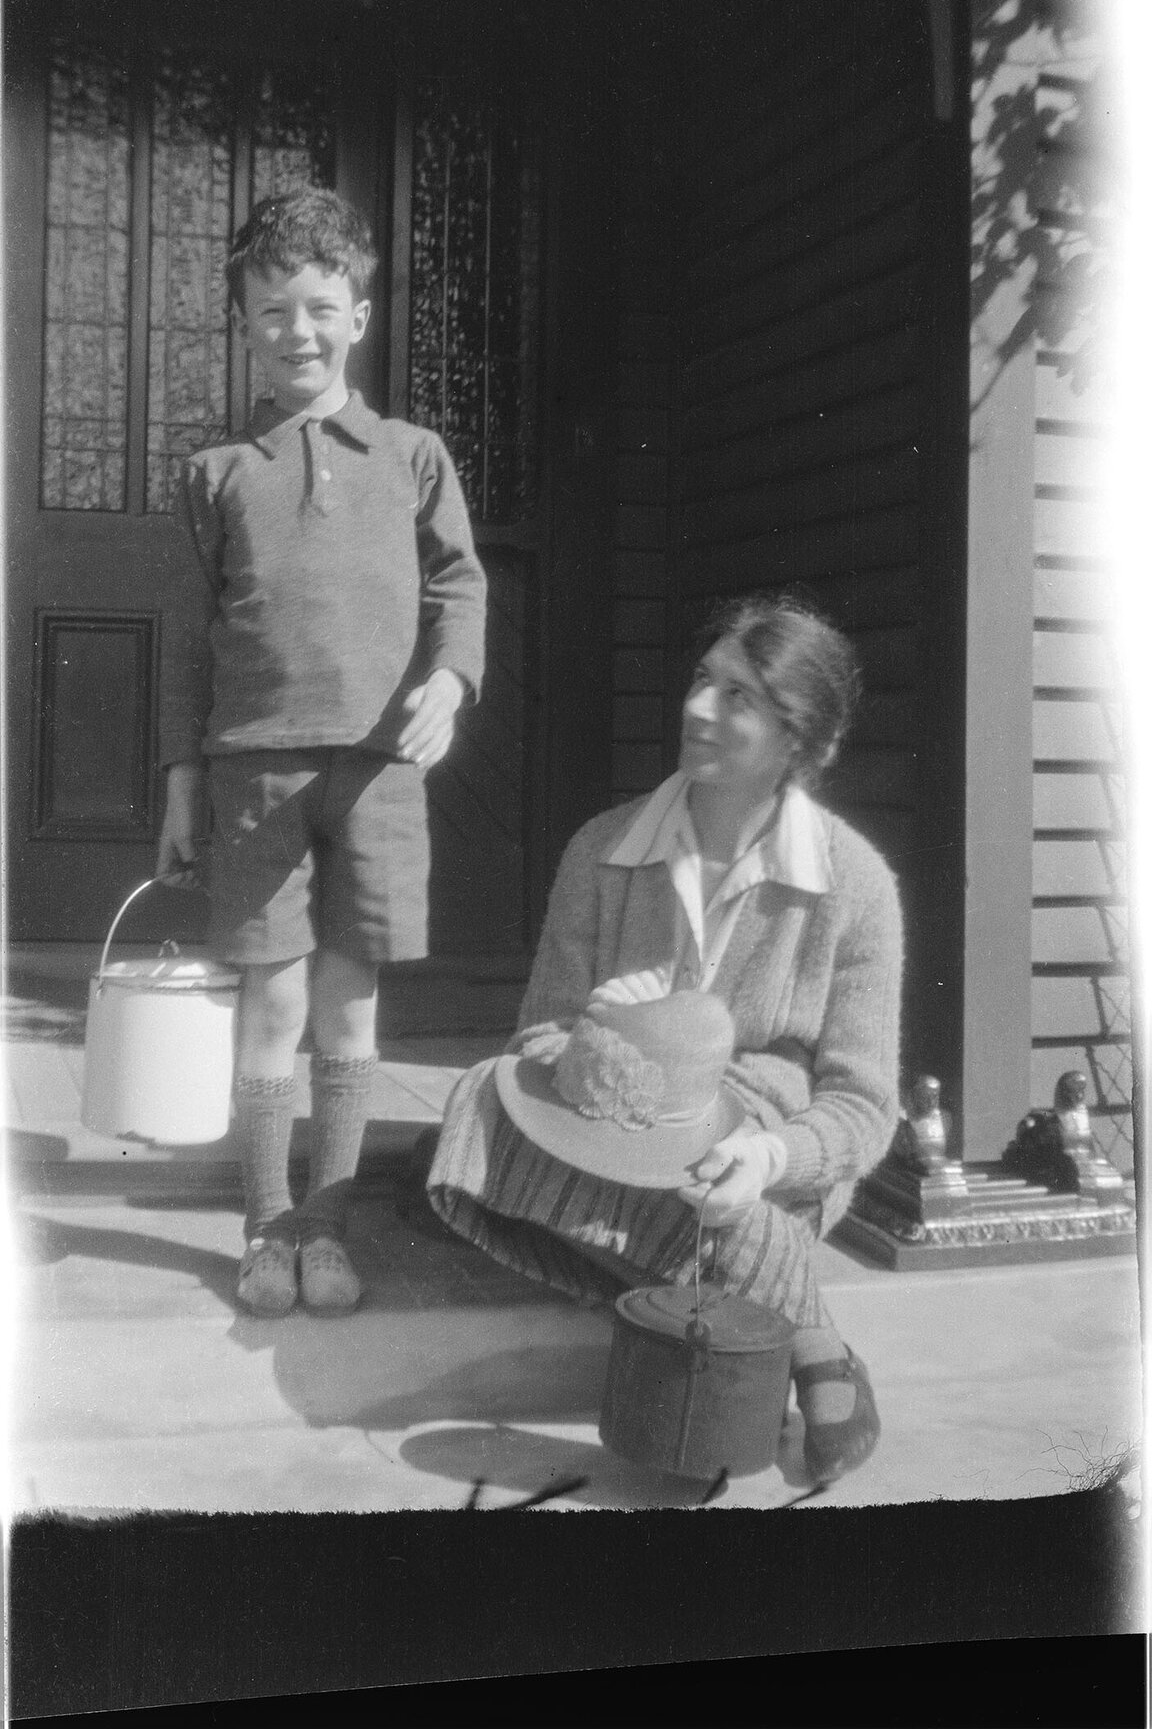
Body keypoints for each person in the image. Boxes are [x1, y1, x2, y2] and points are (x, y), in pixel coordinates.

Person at [426, 594, 903, 1483]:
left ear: (800, 743)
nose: (698, 709)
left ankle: (758, 1298)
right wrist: (599, 1034)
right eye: (702, 680)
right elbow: (539, 1033)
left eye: (738, 697)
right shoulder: (602, 848)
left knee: (714, 1183)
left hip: (758, 1144)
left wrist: (771, 1157)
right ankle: (808, 1329)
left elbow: (865, 1108)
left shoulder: (856, 885)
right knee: (472, 1106)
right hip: (613, 1116)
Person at [157, 188, 487, 1318]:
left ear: (359, 309)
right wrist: (182, 775)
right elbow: (190, 639)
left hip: (381, 769)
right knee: (271, 1006)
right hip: (255, 772)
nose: (295, 329)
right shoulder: (217, 472)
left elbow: (459, 584)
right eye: (269, 312)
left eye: (317, 306)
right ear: (245, 324)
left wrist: (450, 678)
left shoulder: (412, 455)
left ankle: (328, 1230)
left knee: (350, 1008)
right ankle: (262, 1229)